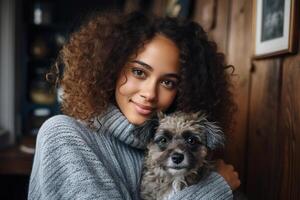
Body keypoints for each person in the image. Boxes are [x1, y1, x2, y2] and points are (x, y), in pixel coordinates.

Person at [28, 11, 240, 200]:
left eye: (168, 82)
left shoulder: (170, 144)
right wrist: (213, 188)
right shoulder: (63, 135)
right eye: (139, 72)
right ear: (110, 69)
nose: (149, 94)